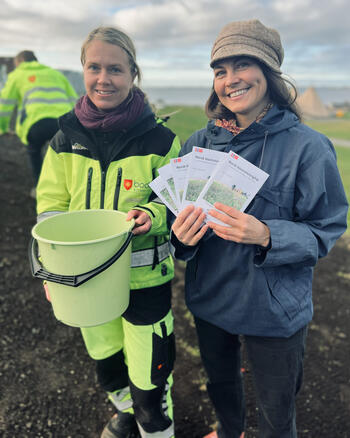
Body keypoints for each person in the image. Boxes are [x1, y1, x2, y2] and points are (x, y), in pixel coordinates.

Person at [171, 19, 348, 438]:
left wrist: (268, 235)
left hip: (275, 309)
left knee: (276, 408)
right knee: (221, 384)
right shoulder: (197, 143)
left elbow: (326, 229)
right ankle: (229, 431)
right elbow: (175, 227)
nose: (230, 80)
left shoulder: (309, 147)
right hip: (210, 296)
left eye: (242, 65)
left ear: (269, 71)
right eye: (220, 70)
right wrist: (181, 235)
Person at [35, 27, 181, 438]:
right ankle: (125, 412)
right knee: (106, 359)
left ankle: (153, 422)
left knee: (150, 369)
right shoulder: (65, 138)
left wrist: (153, 214)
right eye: (94, 67)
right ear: (82, 70)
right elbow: (50, 205)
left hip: (145, 280)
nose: (104, 78)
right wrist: (52, 266)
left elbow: (177, 201)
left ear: (133, 72)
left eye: (115, 69)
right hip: (85, 280)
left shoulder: (162, 139)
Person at [0, 50, 78, 188]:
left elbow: (5, 105)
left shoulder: (17, 75)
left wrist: (3, 128)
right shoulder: (55, 74)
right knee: (66, 155)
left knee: (34, 151)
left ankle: (40, 189)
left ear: (19, 62)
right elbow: (74, 100)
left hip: (36, 124)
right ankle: (72, 189)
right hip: (63, 123)